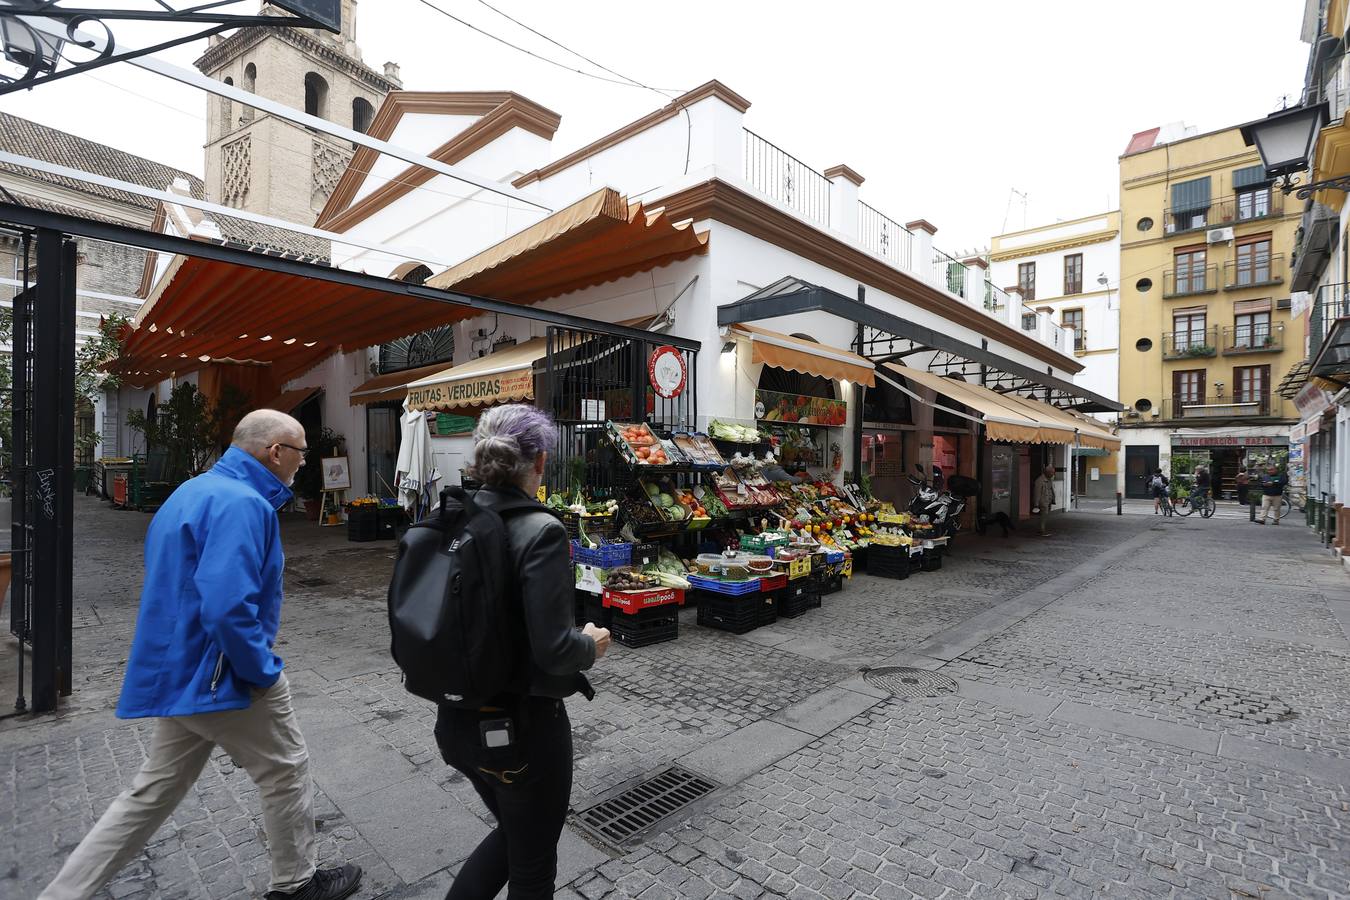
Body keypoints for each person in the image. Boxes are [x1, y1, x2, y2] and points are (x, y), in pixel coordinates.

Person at [40, 410, 362, 900]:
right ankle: (297, 884)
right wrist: (261, 671)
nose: (302, 462)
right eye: (299, 452)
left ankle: (63, 893)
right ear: (275, 452)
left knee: (151, 792)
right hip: (220, 671)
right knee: (286, 768)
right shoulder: (242, 504)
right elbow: (226, 604)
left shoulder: (194, 491)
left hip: (182, 666)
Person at [436, 404, 610, 899]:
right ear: (539, 462)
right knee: (533, 863)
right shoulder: (541, 531)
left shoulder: (450, 517)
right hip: (522, 732)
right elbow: (555, 650)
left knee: (516, 835)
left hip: (455, 722)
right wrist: (591, 645)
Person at [1033, 464, 1056, 536]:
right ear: (1047, 472)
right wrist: (1036, 504)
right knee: (1043, 516)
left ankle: (1041, 529)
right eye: (1052, 472)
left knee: (1045, 516)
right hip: (1043, 501)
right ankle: (1042, 530)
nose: (1053, 474)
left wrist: (1053, 499)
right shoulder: (1040, 480)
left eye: (1053, 472)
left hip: (1048, 500)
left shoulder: (1049, 480)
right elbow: (1037, 492)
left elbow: (1051, 490)